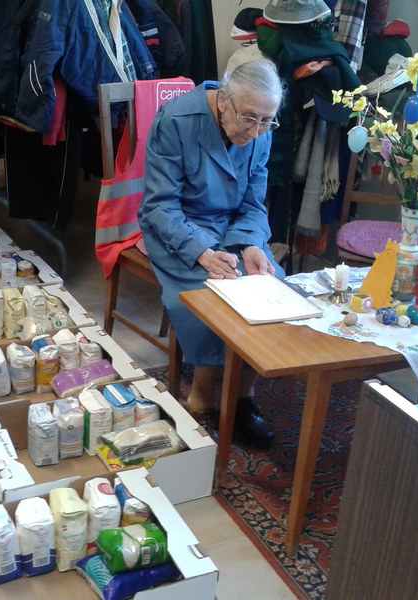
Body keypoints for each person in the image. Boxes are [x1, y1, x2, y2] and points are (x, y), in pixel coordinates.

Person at [138, 59, 285, 446]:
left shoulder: (261, 130)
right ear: (223, 101)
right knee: (208, 296)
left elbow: (254, 204)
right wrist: (202, 252)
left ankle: (242, 397)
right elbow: (159, 206)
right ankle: (201, 396)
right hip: (178, 228)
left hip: (233, 231)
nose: (255, 131)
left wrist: (250, 243)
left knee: (268, 288)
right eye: (248, 118)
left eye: (266, 121)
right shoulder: (176, 119)